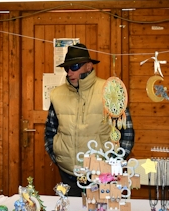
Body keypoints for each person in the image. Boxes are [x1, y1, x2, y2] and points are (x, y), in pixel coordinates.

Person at [44, 43, 134, 196]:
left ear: (89, 66)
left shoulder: (109, 90)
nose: (70, 72)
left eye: (75, 66)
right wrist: (58, 156)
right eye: (67, 68)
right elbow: (50, 131)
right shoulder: (57, 94)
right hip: (68, 172)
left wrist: (114, 162)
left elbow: (126, 131)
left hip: (102, 172)